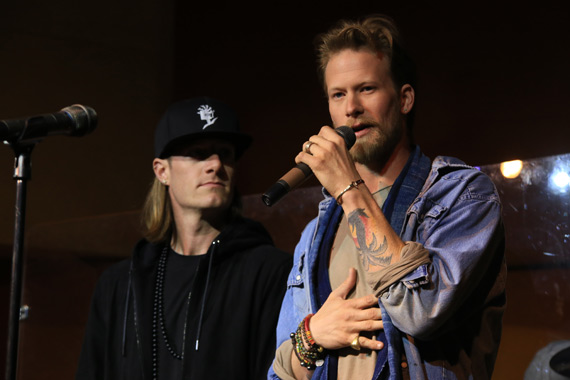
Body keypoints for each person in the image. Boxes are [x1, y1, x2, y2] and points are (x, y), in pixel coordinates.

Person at [269, 14, 506, 380]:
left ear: (405, 99)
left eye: (366, 89)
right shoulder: (316, 232)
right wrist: (312, 335)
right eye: (338, 94)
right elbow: (280, 372)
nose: (351, 108)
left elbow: (421, 310)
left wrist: (348, 188)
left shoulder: (463, 195)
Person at [76, 97, 292, 380]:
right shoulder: (120, 283)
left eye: (225, 153)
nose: (215, 164)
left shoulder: (270, 271)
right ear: (162, 171)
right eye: (198, 153)